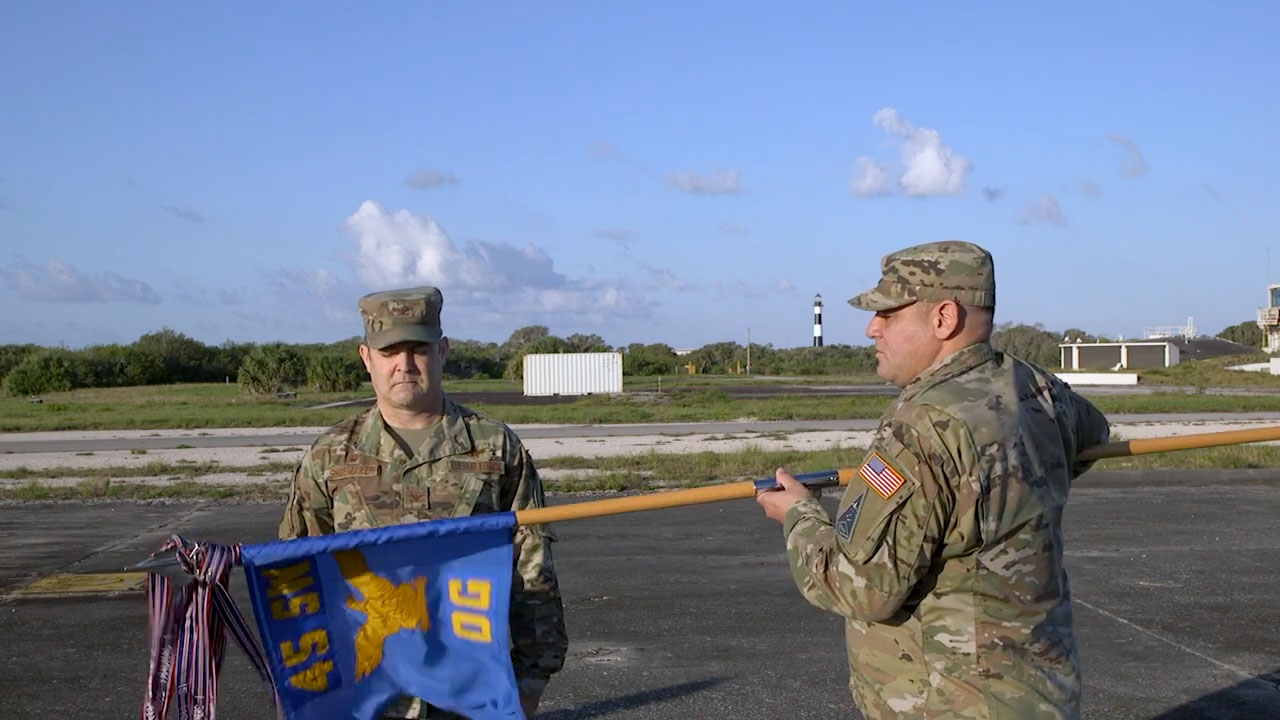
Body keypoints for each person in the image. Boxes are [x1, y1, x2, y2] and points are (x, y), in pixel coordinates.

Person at [755, 241, 1111, 719]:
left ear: (944, 318)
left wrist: (797, 514)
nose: (871, 328)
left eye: (889, 314)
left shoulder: (923, 426)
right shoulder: (1037, 388)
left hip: (951, 702)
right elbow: (1094, 433)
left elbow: (862, 588)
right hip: (1036, 691)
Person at [280, 286, 567, 719]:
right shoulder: (330, 456)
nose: (405, 365)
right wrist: (304, 692)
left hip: (470, 690)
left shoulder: (493, 448)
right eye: (390, 351)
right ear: (366, 358)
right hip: (365, 693)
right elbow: (296, 577)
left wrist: (529, 683)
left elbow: (531, 567)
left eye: (419, 349)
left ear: (443, 351)